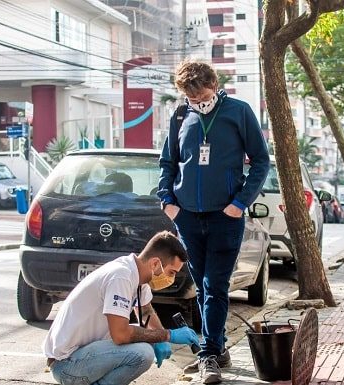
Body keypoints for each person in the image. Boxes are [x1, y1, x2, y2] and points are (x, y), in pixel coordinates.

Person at [157, 60, 269, 384]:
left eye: (201, 96)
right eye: (191, 98)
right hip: (187, 218)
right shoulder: (180, 116)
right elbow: (168, 162)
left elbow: (261, 161)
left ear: (215, 85)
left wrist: (240, 203)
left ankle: (208, 357)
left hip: (226, 217)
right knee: (202, 286)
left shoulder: (239, 112)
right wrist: (168, 202)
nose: (197, 103)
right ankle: (217, 349)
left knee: (215, 285)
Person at [43, 231, 200, 385]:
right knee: (142, 353)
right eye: (171, 272)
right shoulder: (121, 276)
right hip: (66, 365)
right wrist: (168, 335)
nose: (171, 279)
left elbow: (146, 312)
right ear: (155, 263)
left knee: (147, 338)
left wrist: (161, 340)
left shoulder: (139, 276)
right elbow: (120, 335)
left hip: (82, 354)